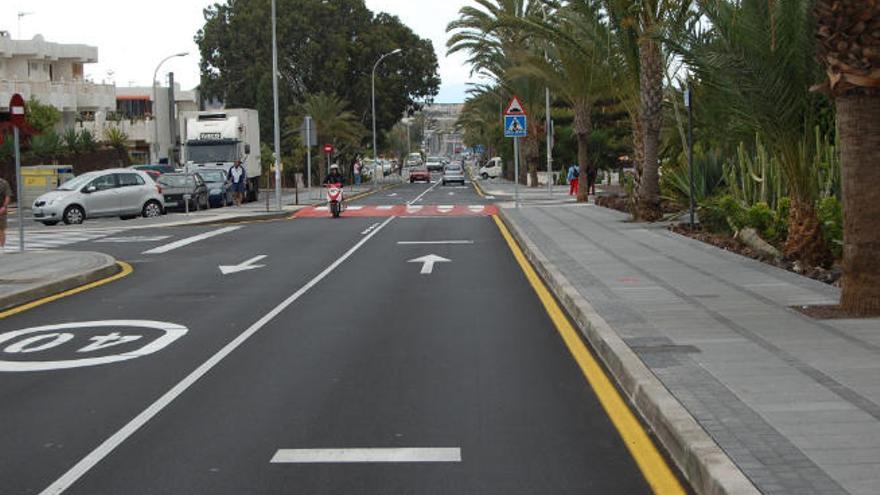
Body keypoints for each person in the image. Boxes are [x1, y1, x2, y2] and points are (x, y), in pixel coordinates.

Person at [0, 176, 11, 251]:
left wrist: (4, 207)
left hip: (1, 209)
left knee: (1, 229)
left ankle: (2, 248)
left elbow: (8, 195)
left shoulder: (3, 183)